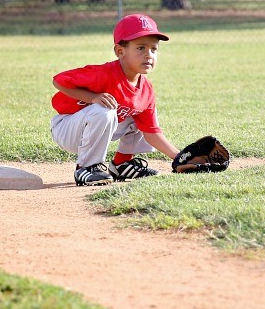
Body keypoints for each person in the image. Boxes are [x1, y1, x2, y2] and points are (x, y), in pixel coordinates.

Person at [50, 14, 181, 185]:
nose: (149, 55)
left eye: (153, 49)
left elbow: (151, 132)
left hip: (97, 125)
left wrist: (180, 158)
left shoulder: (146, 90)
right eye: (141, 48)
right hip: (68, 128)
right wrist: (92, 97)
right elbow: (58, 80)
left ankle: (122, 164)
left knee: (138, 113)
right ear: (120, 51)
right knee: (105, 110)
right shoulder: (103, 74)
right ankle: (86, 167)